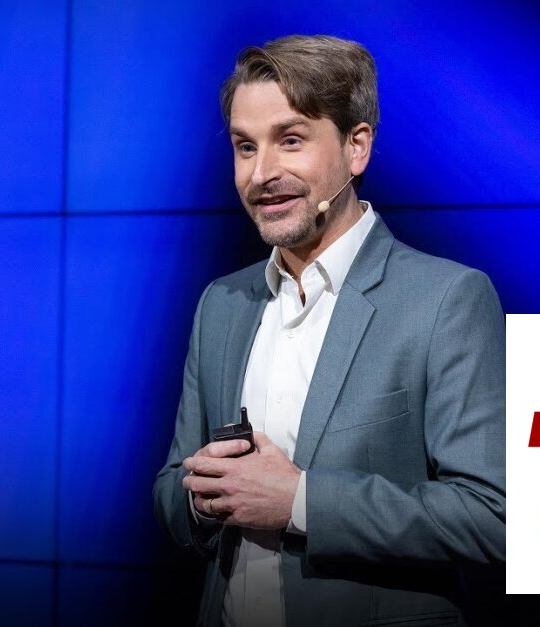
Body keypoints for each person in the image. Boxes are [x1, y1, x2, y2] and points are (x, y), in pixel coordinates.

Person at [153, 34, 505, 627]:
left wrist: (299, 502)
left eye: (290, 140)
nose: (262, 173)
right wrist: (205, 497)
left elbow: (492, 515)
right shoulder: (222, 303)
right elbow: (171, 490)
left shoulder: (447, 299)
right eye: (245, 146)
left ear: (356, 147)